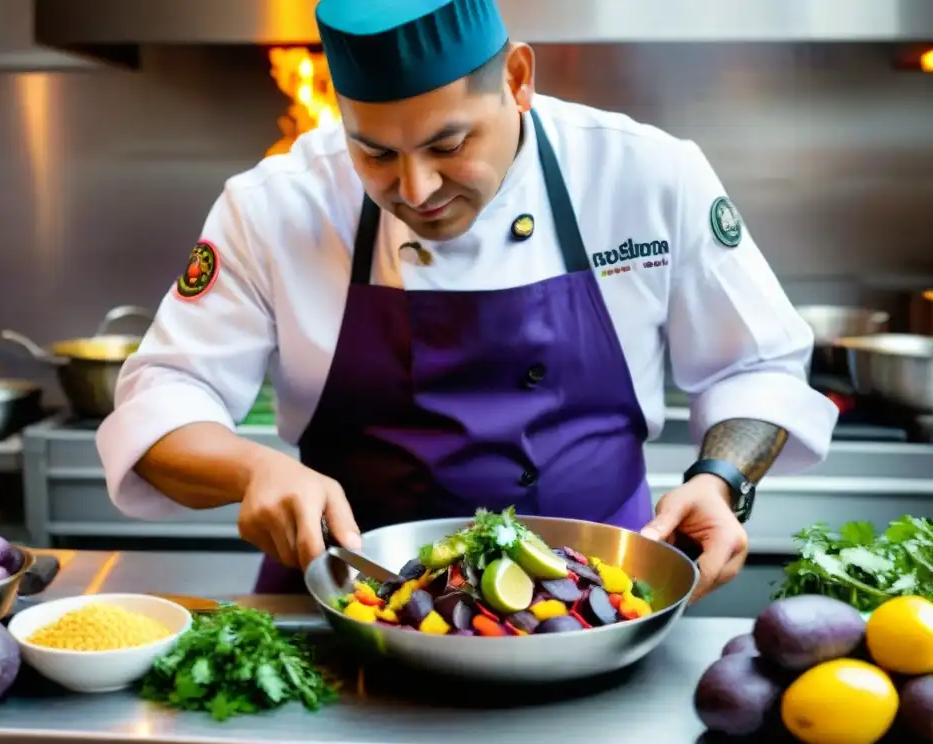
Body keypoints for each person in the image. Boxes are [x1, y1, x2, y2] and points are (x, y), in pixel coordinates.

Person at [96, 0, 838, 602]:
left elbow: (760, 366)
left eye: (449, 144)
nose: (415, 191)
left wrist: (721, 481)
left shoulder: (645, 173)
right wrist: (254, 470)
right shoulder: (277, 203)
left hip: (596, 598)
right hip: (352, 597)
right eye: (375, 154)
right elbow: (163, 398)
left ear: (518, 79)